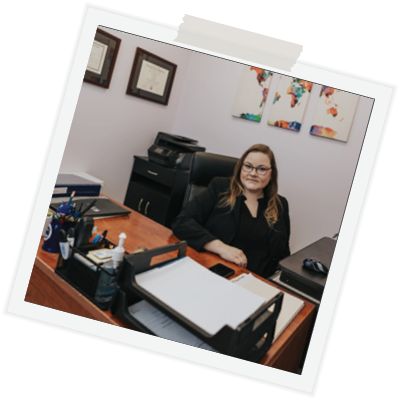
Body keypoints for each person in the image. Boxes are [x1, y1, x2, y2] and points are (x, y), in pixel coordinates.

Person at [171, 144, 290, 279]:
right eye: (248, 166)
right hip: (216, 274)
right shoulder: (221, 188)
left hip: (257, 283)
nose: (253, 173)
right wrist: (221, 247)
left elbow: (283, 253)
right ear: (240, 167)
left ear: (271, 173)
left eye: (261, 169)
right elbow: (182, 221)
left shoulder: (280, 205)